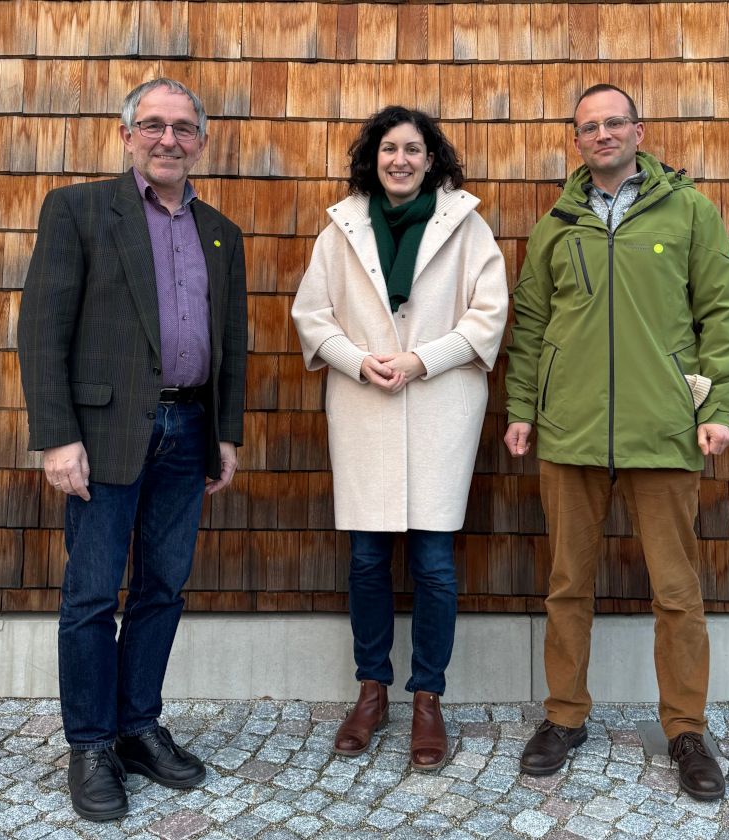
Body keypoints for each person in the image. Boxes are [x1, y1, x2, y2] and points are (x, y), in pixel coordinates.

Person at [504, 84, 729, 801]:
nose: (603, 134)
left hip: (664, 429)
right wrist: (523, 409)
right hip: (570, 432)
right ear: (575, 140)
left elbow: (722, 312)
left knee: (676, 592)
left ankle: (686, 729)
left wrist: (720, 404)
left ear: (639, 132)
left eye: (615, 123)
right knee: (566, 586)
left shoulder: (690, 212)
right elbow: (531, 325)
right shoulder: (557, 223)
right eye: (590, 126)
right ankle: (564, 717)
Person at [17, 78, 247, 821]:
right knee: (90, 597)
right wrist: (57, 436)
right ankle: (90, 744)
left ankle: (138, 727)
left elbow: (231, 346)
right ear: (127, 135)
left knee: (162, 590)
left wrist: (226, 433)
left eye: (183, 129)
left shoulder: (221, 231)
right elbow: (42, 331)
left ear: (200, 142)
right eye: (154, 125)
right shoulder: (80, 210)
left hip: (187, 434)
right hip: (104, 434)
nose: (168, 139)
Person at [292, 106, 508, 771]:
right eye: (389, 149)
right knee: (365, 560)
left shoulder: (468, 227)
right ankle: (371, 689)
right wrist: (359, 361)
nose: (401, 160)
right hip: (364, 404)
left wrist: (423, 360)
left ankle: (427, 698)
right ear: (373, 156)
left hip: (439, 404)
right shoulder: (341, 228)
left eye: (414, 149)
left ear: (432, 158)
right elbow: (311, 313)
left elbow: (489, 313)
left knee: (434, 564)